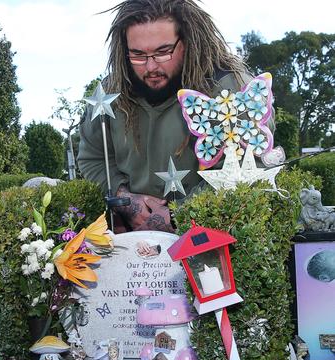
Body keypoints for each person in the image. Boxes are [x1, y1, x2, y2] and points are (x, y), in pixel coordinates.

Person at [78, 0, 273, 233]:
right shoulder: (109, 94)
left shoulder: (226, 87)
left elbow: (245, 167)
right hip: (130, 240)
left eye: (163, 52)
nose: (150, 67)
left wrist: (178, 212)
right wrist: (124, 198)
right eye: (138, 55)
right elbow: (92, 158)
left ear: (188, 42)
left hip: (212, 237)